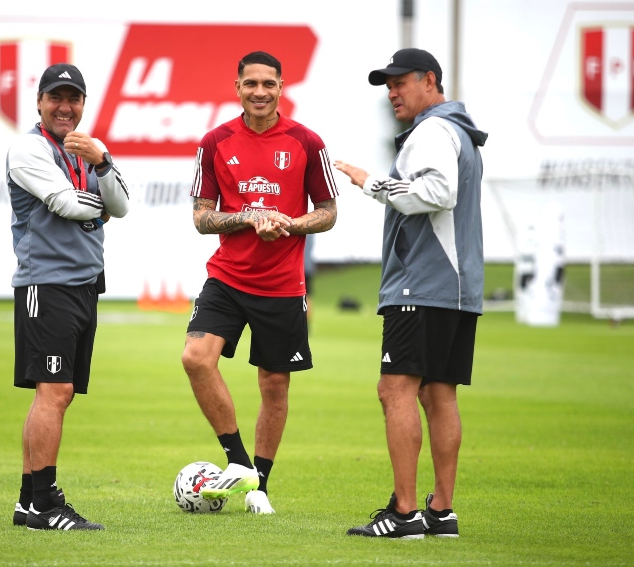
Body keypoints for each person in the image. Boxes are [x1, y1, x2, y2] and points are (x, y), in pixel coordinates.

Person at [334, 48, 487, 539]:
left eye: (401, 83)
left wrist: (372, 183)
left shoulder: (433, 131)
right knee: (438, 393)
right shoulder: (459, 130)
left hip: (420, 283)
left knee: (394, 389)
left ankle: (403, 514)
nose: (393, 93)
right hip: (458, 288)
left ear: (430, 80)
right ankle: (441, 512)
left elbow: (439, 192)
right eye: (388, 86)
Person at [182, 51, 338, 514]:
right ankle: (237, 461)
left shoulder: (307, 142)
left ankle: (259, 488)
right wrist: (248, 218)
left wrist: (288, 224)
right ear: (238, 88)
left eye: (268, 84)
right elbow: (201, 217)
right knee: (195, 358)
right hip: (227, 278)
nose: (260, 92)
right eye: (251, 84)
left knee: (274, 386)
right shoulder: (215, 142)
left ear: (281, 88)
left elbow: (328, 213)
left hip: (283, 285)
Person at [6, 63, 130, 530]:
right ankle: (44, 502)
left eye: (73, 98)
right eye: (56, 97)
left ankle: (27, 502)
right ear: (39, 101)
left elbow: (123, 206)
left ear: (82, 104)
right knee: (53, 392)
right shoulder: (27, 148)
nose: (65, 106)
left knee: (54, 395)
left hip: (83, 285)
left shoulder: (87, 150)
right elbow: (67, 203)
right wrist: (100, 197)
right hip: (47, 284)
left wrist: (102, 164)